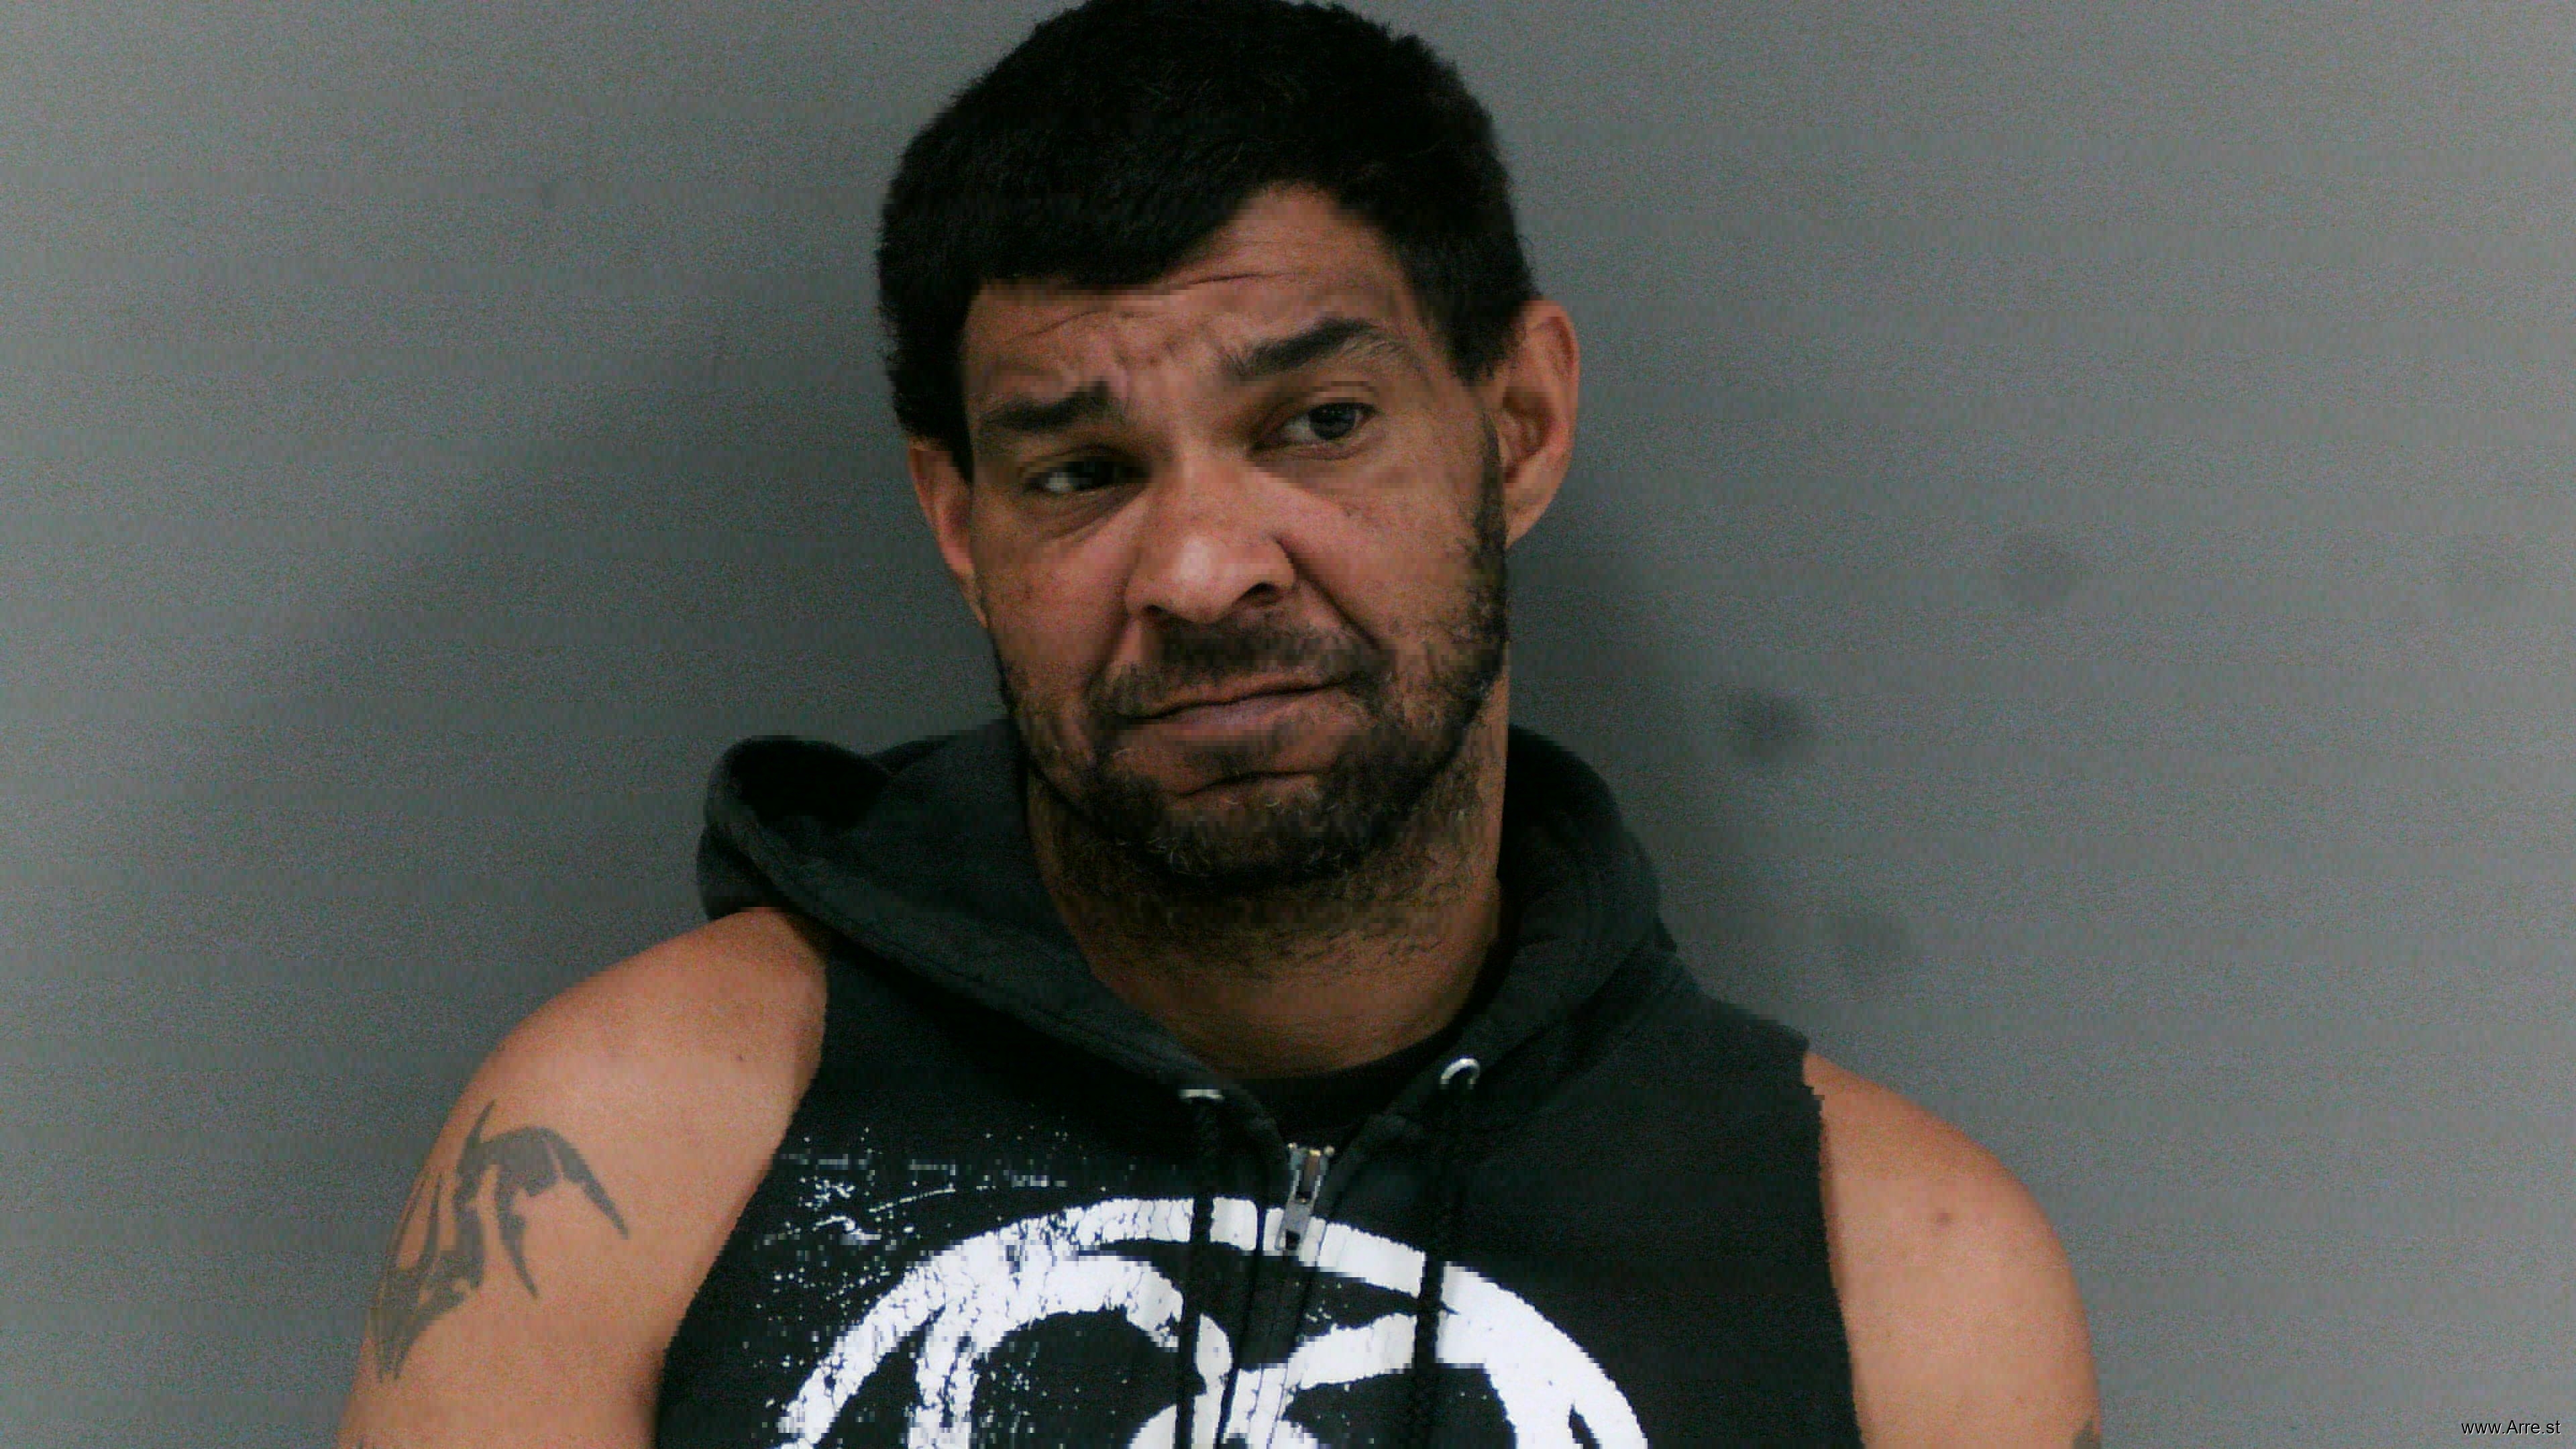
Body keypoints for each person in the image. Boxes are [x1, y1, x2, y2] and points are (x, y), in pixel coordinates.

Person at [336, 1, 2101, 1443]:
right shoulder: (635, 1147)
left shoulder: (1895, 1278)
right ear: (961, 524)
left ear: (1520, 425)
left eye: (1319, 424)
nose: (1200, 568)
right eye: (1082, 471)